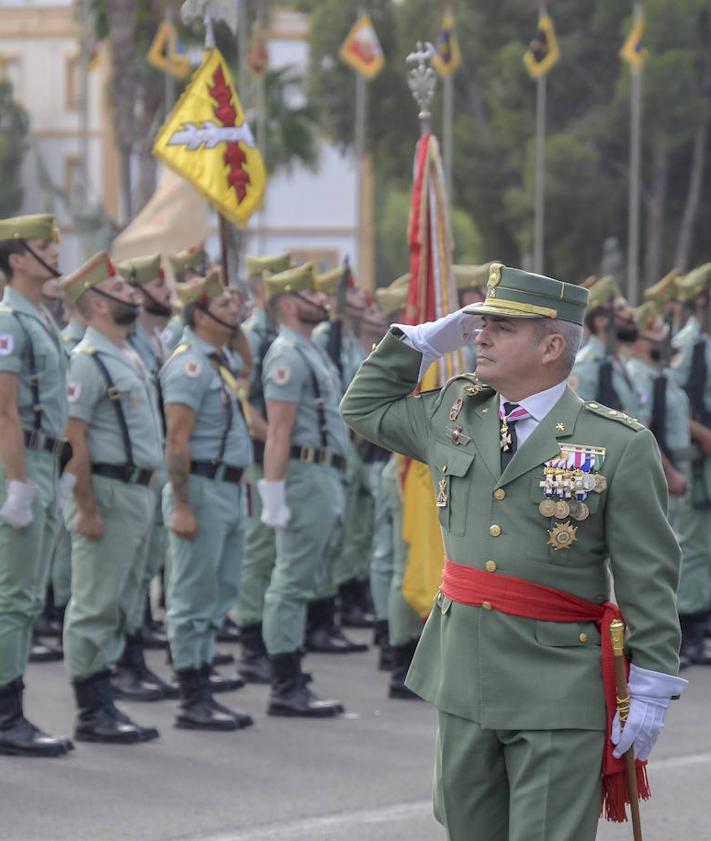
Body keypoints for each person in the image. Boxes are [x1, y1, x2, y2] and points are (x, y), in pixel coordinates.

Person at [341, 263, 687, 841]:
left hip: (558, 684)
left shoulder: (617, 444)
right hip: (464, 673)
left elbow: (647, 574)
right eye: (483, 325)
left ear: (552, 345)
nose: (482, 335)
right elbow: (364, 408)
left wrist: (651, 683)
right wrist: (423, 339)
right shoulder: (456, 412)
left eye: (502, 326)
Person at [61, 251, 163, 744]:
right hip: (106, 489)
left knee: (123, 599)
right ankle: (91, 708)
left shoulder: (127, 355)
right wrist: (84, 506)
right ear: (97, 304)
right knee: (95, 601)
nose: (132, 294)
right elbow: (72, 437)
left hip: (137, 491)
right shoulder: (88, 361)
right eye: (121, 290)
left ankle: (108, 695)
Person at [161, 271, 253, 731]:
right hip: (200, 487)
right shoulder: (189, 365)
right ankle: (191, 695)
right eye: (224, 306)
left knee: (220, 590)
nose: (235, 311)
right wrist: (181, 505)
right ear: (200, 315)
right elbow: (176, 441)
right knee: (193, 596)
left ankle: (202, 678)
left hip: (228, 488)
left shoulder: (218, 361)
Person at [259, 262, 347, 717]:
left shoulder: (308, 350)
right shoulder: (287, 354)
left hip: (323, 474)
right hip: (303, 475)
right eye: (313, 295)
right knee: (290, 580)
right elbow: (279, 431)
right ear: (291, 304)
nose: (324, 300)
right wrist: (273, 492)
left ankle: (290, 668)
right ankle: (284, 681)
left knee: (300, 577)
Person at [0, 214, 73, 757]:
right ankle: (6, 715)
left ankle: (12, 708)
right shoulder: (10, 319)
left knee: (25, 597)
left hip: (45, 462)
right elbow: (4, 409)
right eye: (42, 246)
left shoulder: (41, 317)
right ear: (17, 259)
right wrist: (19, 484)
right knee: (14, 597)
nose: (54, 252)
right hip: (20, 463)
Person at [235, 253, 291, 684]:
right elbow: (242, 399)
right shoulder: (252, 336)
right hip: (259, 456)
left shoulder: (276, 333)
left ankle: (269, 638)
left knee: (274, 553)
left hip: (278, 452)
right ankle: (249, 640)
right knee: (258, 551)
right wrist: (272, 435)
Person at [670, 263, 711, 667]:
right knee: (695, 545)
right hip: (698, 461)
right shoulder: (689, 345)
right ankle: (690, 629)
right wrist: (702, 435)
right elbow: (671, 403)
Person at [569, 275, 643, 417]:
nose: (631, 313)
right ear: (600, 321)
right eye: (621, 309)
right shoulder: (585, 367)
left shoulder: (619, 360)